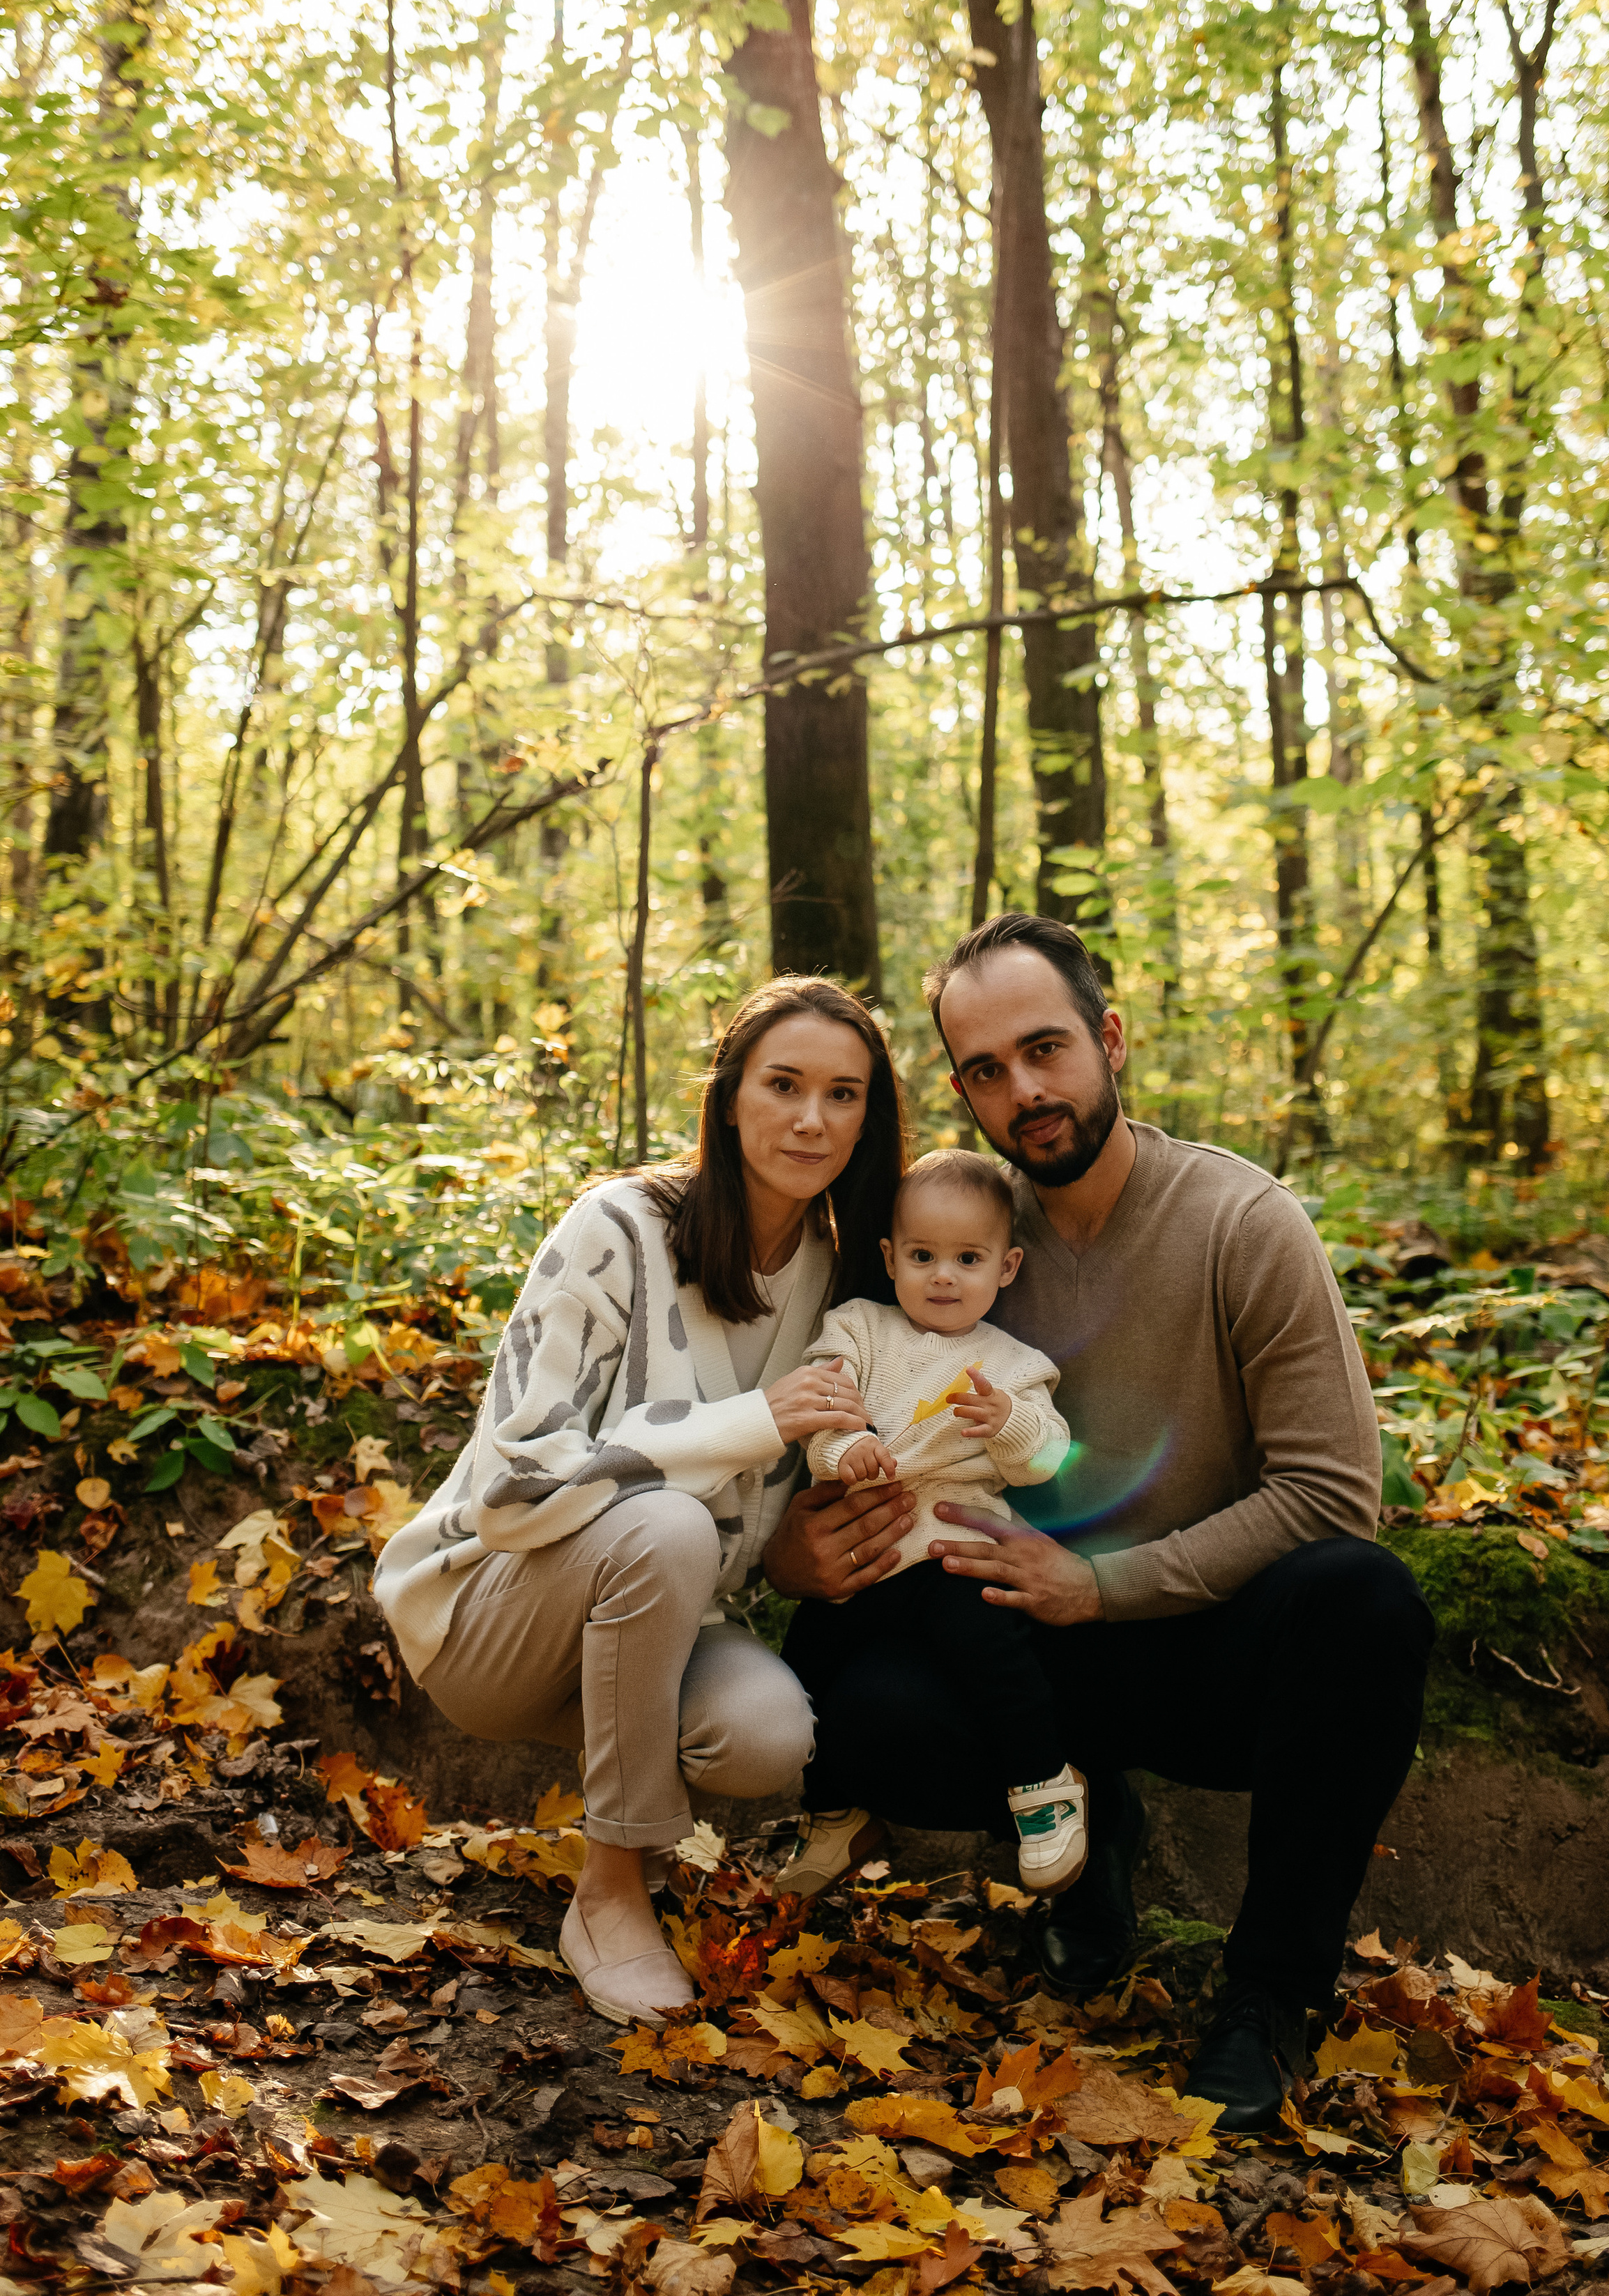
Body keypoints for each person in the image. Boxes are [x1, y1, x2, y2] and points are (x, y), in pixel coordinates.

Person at [769, 912, 1434, 2131]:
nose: (1024, 1091)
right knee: (843, 1699)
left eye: (1046, 1049)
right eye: (984, 1068)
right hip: (1026, 1647)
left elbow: (1335, 1491)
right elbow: (823, 1439)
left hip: (1208, 1636)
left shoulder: (1242, 1222)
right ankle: (1093, 1835)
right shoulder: (956, 1237)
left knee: (1367, 1601)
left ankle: (1270, 1992)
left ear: (1108, 1037)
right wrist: (788, 1551)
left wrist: (1107, 1582)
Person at [373, 974, 906, 2027]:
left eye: (844, 1094)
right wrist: (754, 1419)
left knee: (762, 1735)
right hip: (490, 1613)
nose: (812, 1118)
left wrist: (788, 1558)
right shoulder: (616, 1227)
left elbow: (736, 1547)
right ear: (729, 1096)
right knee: (661, 1524)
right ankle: (613, 1888)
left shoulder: (842, 1282)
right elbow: (518, 1488)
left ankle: (634, 1840)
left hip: (655, 1626)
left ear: (870, 1118)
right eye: (784, 1083)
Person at [778, 1149, 1085, 1899]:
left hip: (957, 1549)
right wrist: (846, 1447)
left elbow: (1048, 1457)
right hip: (865, 1557)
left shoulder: (1014, 1366)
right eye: (922, 1255)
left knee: (995, 1652)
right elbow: (822, 1407)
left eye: (967, 1258)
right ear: (890, 1257)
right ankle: (831, 1813)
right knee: (807, 1655)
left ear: (1006, 1267)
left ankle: (1042, 1785)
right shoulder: (858, 1329)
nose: (943, 1275)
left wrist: (1009, 1423)